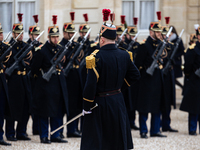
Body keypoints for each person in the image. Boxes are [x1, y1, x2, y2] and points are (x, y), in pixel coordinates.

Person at [80, 9, 140, 150]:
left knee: (98, 142)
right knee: (116, 141)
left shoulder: (96, 57)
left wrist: (86, 106)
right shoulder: (125, 55)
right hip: (118, 101)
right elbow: (135, 75)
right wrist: (118, 88)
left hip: (100, 104)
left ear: (102, 39)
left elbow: (90, 86)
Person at [31, 15, 68, 143]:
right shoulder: (42, 51)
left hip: (58, 84)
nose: (56, 39)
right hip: (46, 86)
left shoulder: (60, 49)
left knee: (58, 110)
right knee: (44, 111)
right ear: (48, 37)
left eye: (57, 36)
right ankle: (44, 136)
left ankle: (56, 134)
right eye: (53, 37)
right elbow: (34, 68)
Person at [134, 13, 167, 138]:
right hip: (146, 79)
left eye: (159, 32)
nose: (158, 34)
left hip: (157, 78)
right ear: (150, 32)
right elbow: (137, 64)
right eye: (156, 32)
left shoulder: (160, 44)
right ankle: (143, 130)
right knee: (144, 106)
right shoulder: (144, 46)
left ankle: (155, 130)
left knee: (157, 105)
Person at [5, 13, 32, 141]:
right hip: (13, 80)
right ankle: (10, 133)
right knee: (12, 106)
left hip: (24, 79)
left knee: (25, 106)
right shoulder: (8, 47)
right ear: (13, 34)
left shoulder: (26, 46)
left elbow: (29, 62)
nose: (20, 35)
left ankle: (21, 132)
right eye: (18, 33)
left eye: (22, 33)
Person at [59, 12, 82, 138]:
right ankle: (62, 130)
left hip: (76, 76)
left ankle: (73, 129)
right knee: (66, 105)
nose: (72, 35)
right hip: (66, 78)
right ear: (64, 33)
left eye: (73, 33)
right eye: (69, 33)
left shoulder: (76, 45)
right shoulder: (61, 45)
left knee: (76, 105)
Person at [180, 24, 200, 135]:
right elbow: (187, 66)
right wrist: (191, 76)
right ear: (198, 37)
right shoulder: (192, 50)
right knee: (194, 107)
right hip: (195, 81)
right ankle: (192, 128)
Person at [160, 17, 178, 132]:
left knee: (169, 101)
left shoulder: (170, 45)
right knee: (162, 102)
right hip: (161, 76)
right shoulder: (159, 46)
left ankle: (166, 124)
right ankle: (160, 125)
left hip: (169, 76)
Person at [28, 15, 43, 136]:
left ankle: (37, 129)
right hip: (28, 77)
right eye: (35, 35)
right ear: (30, 35)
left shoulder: (41, 46)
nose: (37, 37)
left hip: (38, 78)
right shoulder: (26, 45)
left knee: (38, 103)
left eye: (38, 35)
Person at [125, 17, 140, 130]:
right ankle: (126, 121)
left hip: (134, 76)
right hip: (125, 77)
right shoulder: (124, 46)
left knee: (134, 100)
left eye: (135, 35)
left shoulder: (138, 46)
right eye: (132, 35)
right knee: (126, 100)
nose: (134, 38)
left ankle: (132, 121)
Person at [0, 23, 12, 146]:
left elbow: (8, 59)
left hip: (1, 78)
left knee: (1, 108)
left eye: (1, 33)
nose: (1, 35)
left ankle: (0, 136)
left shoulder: (5, 47)